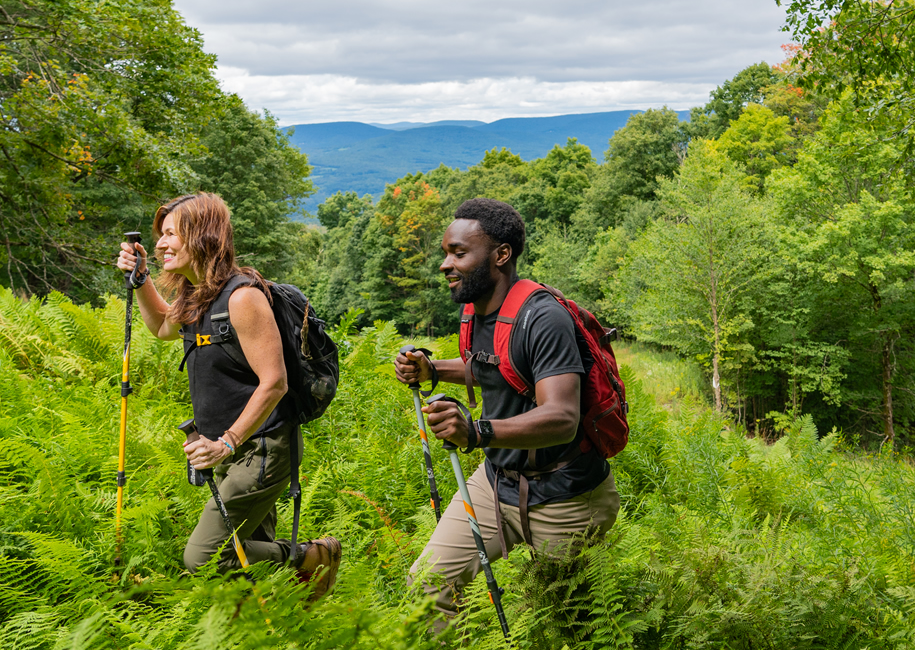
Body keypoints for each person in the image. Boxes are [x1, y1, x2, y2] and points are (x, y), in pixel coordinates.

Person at [395, 198, 619, 625]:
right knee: (427, 583)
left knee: (568, 625)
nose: (445, 264)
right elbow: (498, 367)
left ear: (501, 255)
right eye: (446, 252)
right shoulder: (477, 312)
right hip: (496, 484)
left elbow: (561, 417)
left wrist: (476, 432)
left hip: (565, 497)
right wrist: (432, 370)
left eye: (459, 253)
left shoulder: (542, 318)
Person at [116, 192, 340, 596]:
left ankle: (312, 557)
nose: (161, 244)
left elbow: (275, 382)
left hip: (260, 448)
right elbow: (163, 328)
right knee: (239, 565)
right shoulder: (194, 293)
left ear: (201, 235)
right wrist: (142, 279)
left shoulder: (243, 297)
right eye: (160, 235)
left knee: (203, 557)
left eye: (171, 234)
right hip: (226, 446)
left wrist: (227, 442)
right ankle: (258, 635)